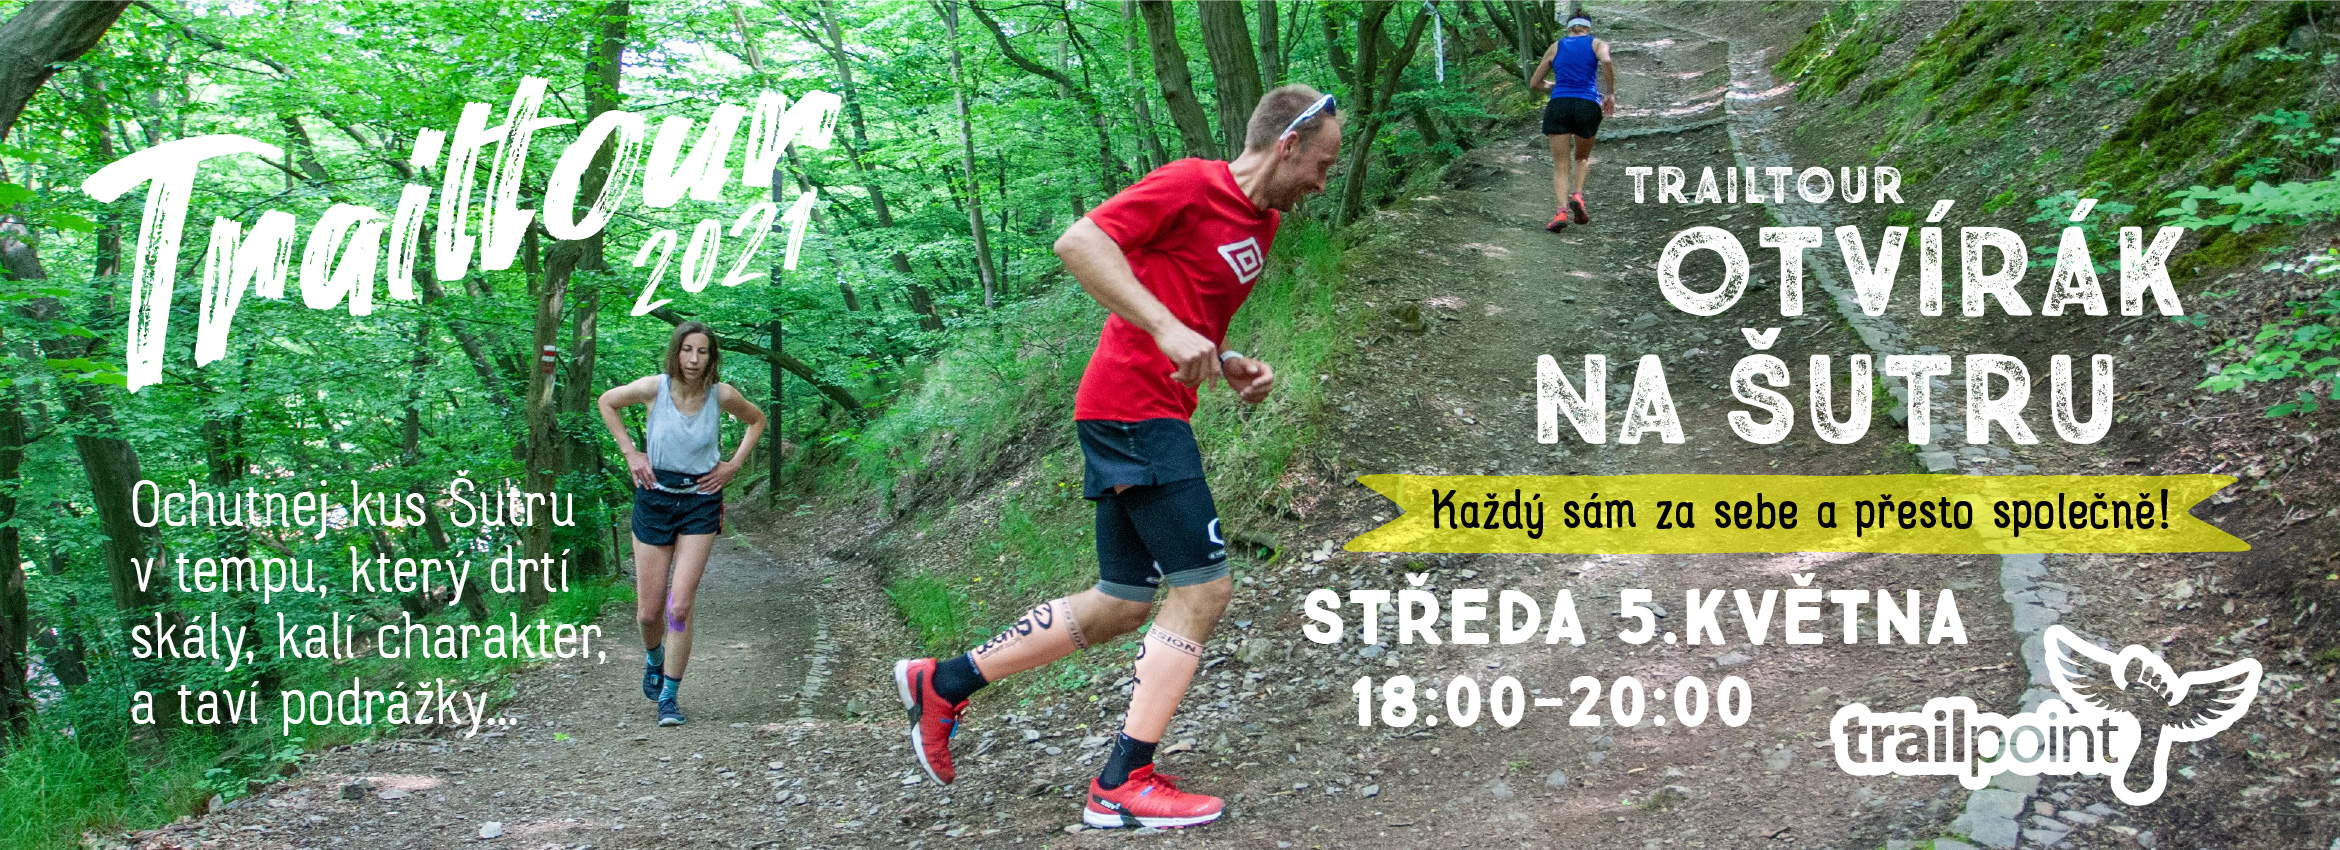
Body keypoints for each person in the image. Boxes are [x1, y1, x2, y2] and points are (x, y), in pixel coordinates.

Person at [892, 84, 1343, 831]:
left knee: (1123, 601)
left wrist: (1225, 359)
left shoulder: (1262, 225)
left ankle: (944, 682)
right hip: (1132, 406)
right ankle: (1121, 783)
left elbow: (1188, 316)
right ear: (1287, 144)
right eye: (1322, 164)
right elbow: (1079, 242)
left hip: (1143, 407)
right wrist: (1166, 331)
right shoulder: (1191, 184)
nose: (1323, 183)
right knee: (1204, 590)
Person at [596, 321, 766, 727]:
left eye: (702, 351)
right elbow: (606, 401)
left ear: (711, 357)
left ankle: (669, 697)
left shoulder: (721, 395)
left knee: (680, 606)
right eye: (688, 350)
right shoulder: (654, 389)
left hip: (700, 503)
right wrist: (630, 452)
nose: (693, 359)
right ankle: (654, 657)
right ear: (676, 352)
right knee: (648, 613)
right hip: (654, 499)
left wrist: (733, 465)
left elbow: (757, 420)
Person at [1530, 12, 1616, 232]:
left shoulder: (1555, 47)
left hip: (1559, 104)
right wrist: (1609, 94)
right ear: (1588, 28)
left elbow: (1535, 83)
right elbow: (1606, 61)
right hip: (1587, 104)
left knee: (1561, 164)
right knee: (1582, 157)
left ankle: (1560, 212)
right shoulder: (1597, 44)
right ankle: (1577, 195)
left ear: (1568, 28)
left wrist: (1556, 86)